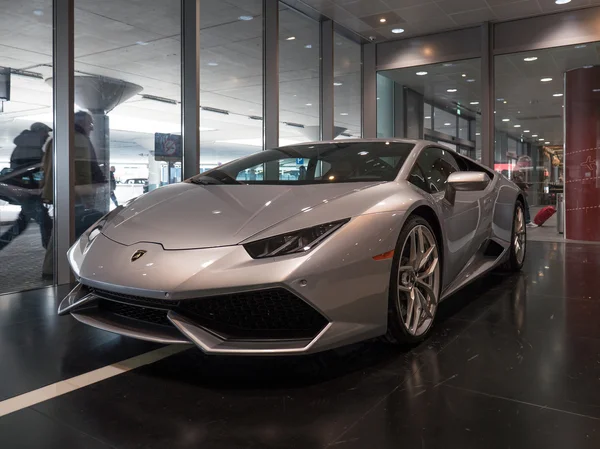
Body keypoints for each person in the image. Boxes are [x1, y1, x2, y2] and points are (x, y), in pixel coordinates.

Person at [41, 111, 107, 278]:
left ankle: (52, 269)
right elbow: (82, 169)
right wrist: (87, 197)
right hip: (75, 193)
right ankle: (84, 269)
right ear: (82, 123)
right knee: (86, 231)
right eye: (90, 123)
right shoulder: (78, 139)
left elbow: (45, 168)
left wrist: (48, 190)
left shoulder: (56, 139)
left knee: (62, 231)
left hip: (63, 192)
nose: (92, 127)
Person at [0, 123, 53, 251]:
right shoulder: (32, 146)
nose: (47, 136)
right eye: (45, 132)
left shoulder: (25, 145)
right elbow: (34, 170)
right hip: (31, 192)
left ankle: (51, 251)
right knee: (45, 223)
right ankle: (52, 253)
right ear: (39, 131)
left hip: (28, 191)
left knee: (22, 223)